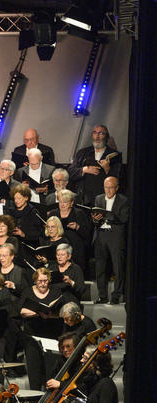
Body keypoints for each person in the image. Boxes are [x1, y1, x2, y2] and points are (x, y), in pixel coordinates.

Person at [92, 176, 129, 304]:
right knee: (100, 267)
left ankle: (116, 296)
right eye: (106, 187)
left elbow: (124, 219)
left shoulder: (123, 200)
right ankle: (102, 296)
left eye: (111, 188)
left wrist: (108, 215)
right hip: (100, 235)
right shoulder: (99, 198)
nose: (108, 190)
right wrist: (96, 219)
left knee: (117, 267)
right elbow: (95, 218)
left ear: (117, 188)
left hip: (115, 237)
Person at [68, 124, 122, 204]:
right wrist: (84, 169)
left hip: (103, 199)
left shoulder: (114, 155)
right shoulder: (83, 153)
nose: (97, 136)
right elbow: (70, 172)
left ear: (106, 137)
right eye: (95, 133)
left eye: (101, 133)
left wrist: (107, 169)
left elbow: (119, 179)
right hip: (83, 199)